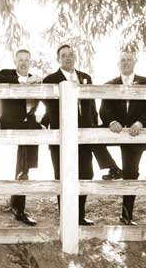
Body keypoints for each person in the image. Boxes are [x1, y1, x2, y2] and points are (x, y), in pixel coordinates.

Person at [99, 50, 146, 225]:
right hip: (114, 129)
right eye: (122, 60)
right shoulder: (109, 84)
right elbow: (104, 109)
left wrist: (141, 123)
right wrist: (111, 121)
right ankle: (112, 167)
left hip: (135, 132)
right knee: (92, 137)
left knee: (131, 173)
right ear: (118, 63)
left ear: (135, 62)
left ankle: (126, 216)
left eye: (129, 60)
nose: (126, 62)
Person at [42, 44, 96, 225]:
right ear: (58, 59)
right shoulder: (50, 79)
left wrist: (92, 128)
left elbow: (92, 108)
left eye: (71, 54)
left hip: (85, 136)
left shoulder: (86, 78)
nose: (68, 58)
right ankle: (66, 217)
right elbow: (51, 110)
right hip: (61, 137)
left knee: (86, 174)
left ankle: (79, 216)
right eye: (64, 55)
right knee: (63, 176)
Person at [0, 49, 41, 226]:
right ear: (15, 61)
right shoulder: (6, 74)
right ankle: (24, 173)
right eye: (20, 60)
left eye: (26, 60)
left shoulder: (35, 79)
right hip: (11, 123)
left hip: (28, 125)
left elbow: (45, 101)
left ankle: (18, 204)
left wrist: (45, 121)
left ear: (30, 62)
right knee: (32, 129)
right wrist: (26, 81)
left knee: (34, 128)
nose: (23, 63)